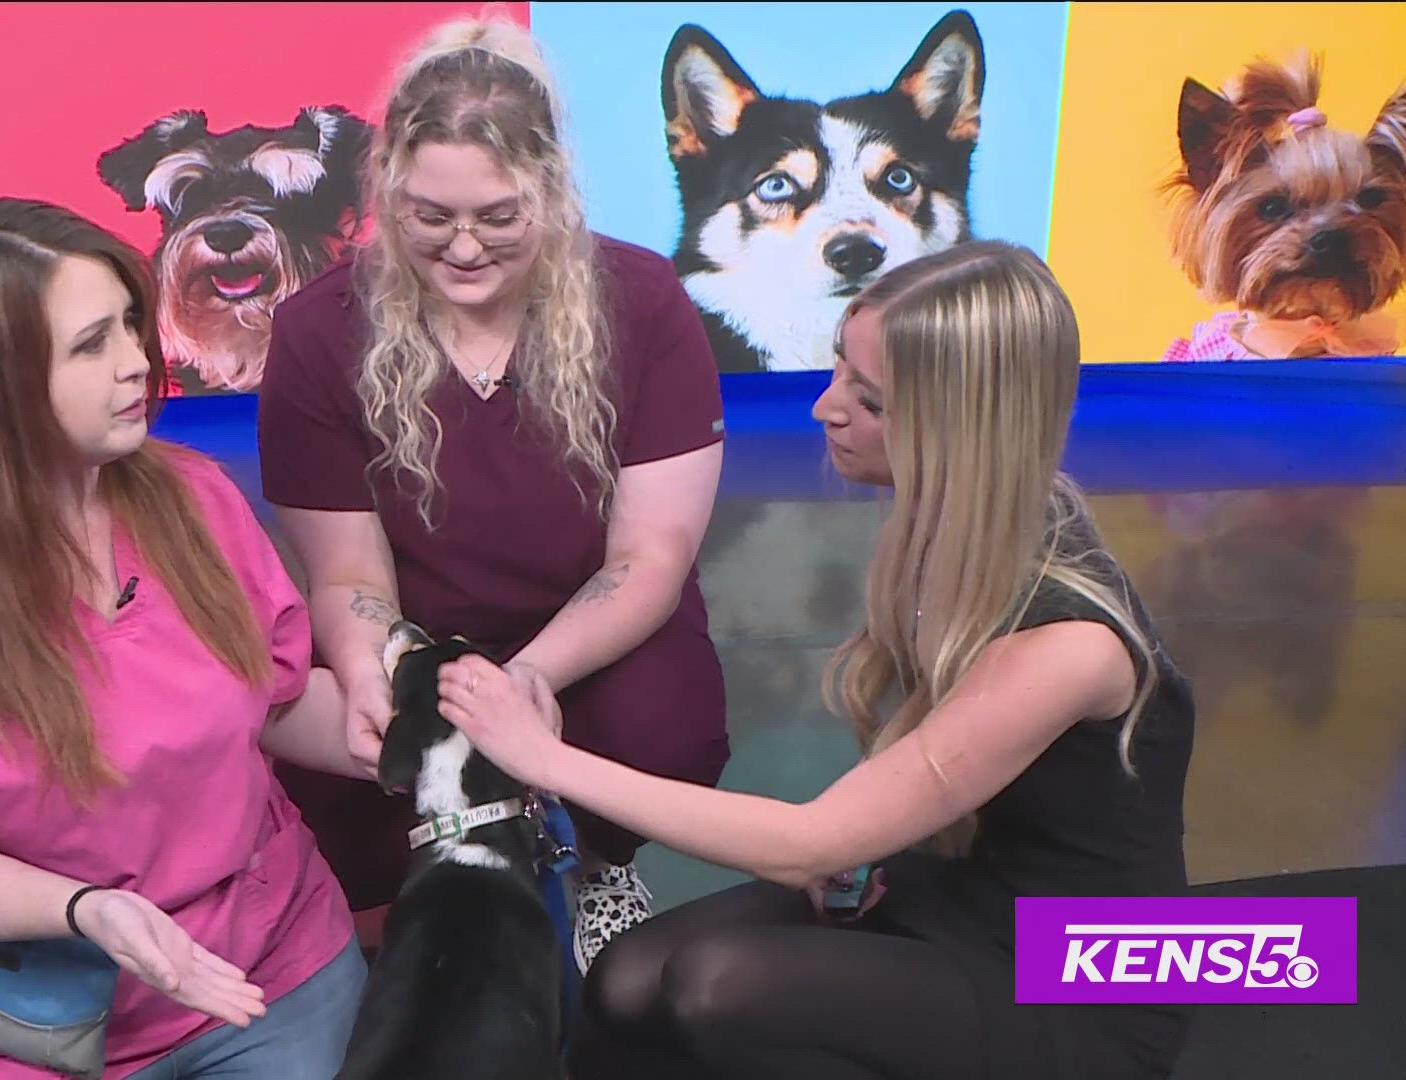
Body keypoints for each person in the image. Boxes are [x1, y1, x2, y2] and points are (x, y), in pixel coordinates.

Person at [435, 240, 1198, 1079]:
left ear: (958, 429)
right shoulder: (964, 530)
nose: (824, 410)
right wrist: (861, 850)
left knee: (719, 988)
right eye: (838, 370)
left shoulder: (1067, 644)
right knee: (625, 980)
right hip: (965, 889)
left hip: (1081, 973)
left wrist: (542, 756)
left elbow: (810, 840)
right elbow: (918, 747)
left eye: (867, 401)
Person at [0, 198, 369, 1079]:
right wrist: (85, 909)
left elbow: (279, 700)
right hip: (48, 1025)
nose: (140, 363)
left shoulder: (197, 498)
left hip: (271, 974)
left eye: (132, 327)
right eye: (92, 344)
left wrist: (417, 730)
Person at [256, 17, 730, 971]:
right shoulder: (316, 330)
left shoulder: (642, 300)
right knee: (336, 742)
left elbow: (651, 558)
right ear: (389, 192)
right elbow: (347, 573)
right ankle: (398, 912)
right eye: (431, 218)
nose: (464, 247)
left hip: (587, 625)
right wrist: (377, 672)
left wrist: (528, 681)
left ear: (550, 193)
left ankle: (600, 863)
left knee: (664, 724)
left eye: (500, 217)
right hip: (419, 637)